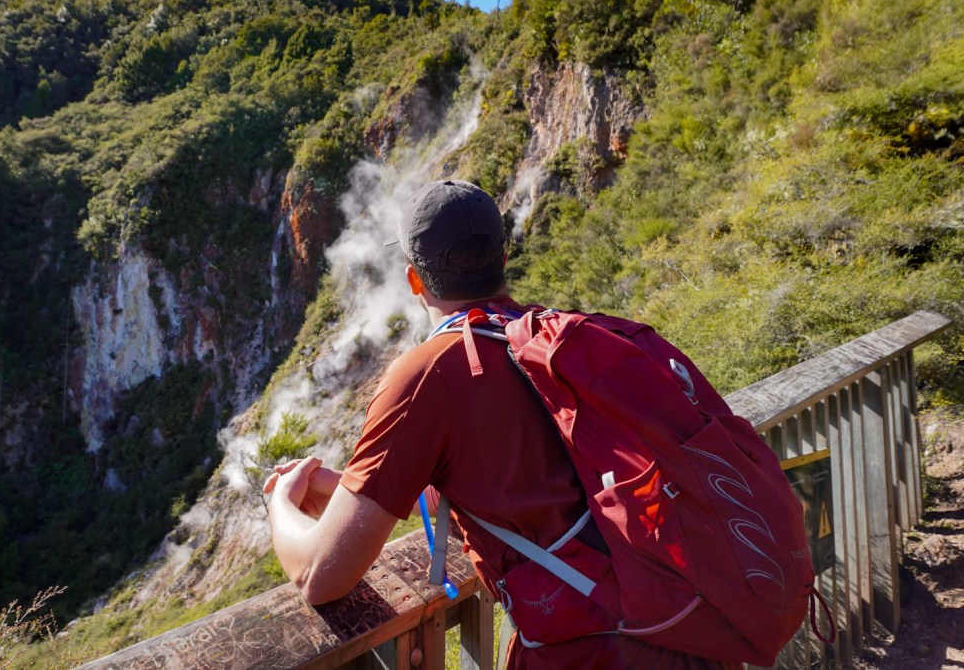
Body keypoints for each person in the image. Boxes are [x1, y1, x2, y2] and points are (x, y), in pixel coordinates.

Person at [265, 179, 742, 669]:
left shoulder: (429, 376)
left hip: (590, 654)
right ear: (503, 260)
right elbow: (514, 488)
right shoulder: (558, 343)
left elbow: (321, 575)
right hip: (691, 633)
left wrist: (280, 502)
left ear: (414, 279)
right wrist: (345, 486)